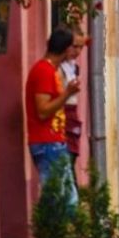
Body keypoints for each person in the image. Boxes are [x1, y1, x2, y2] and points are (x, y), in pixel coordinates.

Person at [26, 27, 81, 203]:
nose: (77, 51)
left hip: (54, 141)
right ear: (66, 50)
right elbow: (42, 111)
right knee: (61, 201)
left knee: (66, 200)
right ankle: (52, 230)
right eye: (74, 47)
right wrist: (67, 93)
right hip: (47, 143)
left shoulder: (51, 71)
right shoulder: (43, 71)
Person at [60, 28, 87, 176]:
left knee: (71, 159)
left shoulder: (73, 67)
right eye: (74, 46)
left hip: (71, 116)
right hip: (64, 114)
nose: (77, 51)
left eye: (81, 47)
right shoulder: (60, 67)